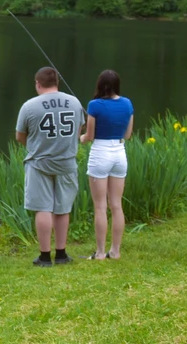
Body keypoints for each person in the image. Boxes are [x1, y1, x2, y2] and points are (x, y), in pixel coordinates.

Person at [15, 66, 83, 267]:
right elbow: (79, 130)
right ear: (57, 83)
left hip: (39, 163)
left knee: (42, 208)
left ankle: (45, 256)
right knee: (62, 208)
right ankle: (61, 254)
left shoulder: (29, 106)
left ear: (37, 83)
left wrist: (35, 146)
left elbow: (20, 136)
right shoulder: (75, 102)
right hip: (67, 163)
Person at [79, 69, 133, 260]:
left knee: (100, 206)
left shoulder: (94, 105)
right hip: (120, 153)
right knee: (116, 205)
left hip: (100, 153)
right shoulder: (127, 103)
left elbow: (90, 136)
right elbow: (127, 135)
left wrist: (82, 137)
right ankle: (115, 251)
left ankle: (100, 253)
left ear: (100, 85)